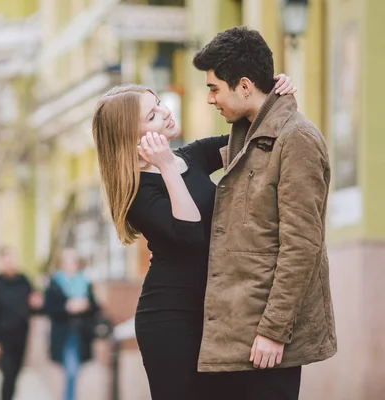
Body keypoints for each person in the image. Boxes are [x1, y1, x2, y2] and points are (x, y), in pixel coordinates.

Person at [92, 73, 295, 397]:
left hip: (215, 311)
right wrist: (167, 168)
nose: (166, 111)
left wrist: (271, 94)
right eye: (152, 114)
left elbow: (250, 138)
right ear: (131, 138)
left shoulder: (192, 156)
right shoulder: (137, 192)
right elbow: (189, 235)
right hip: (171, 319)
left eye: (159, 104)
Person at [192, 26, 337, 400]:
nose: (210, 99)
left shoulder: (297, 139)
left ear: (243, 86)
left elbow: (301, 246)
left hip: (269, 345)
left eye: (213, 88)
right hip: (238, 337)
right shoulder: (246, 134)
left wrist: (274, 331)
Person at [0, 247, 43, 400]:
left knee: (15, 373)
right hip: (2, 339)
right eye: (5, 261)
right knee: (8, 373)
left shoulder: (24, 281)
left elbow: (33, 306)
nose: (9, 264)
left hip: (20, 336)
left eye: (11, 260)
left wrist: (37, 304)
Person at [43, 248, 100, 400]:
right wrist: (67, 307)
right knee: (71, 371)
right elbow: (48, 308)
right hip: (63, 333)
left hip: (81, 333)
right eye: (67, 261)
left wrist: (85, 305)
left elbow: (96, 307)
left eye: (73, 261)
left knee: (74, 370)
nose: (70, 265)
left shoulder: (85, 283)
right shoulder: (55, 283)